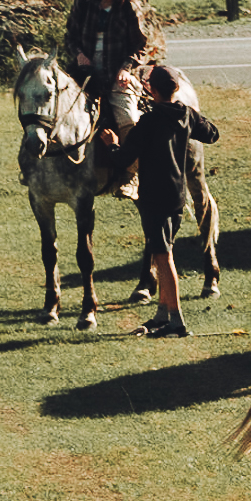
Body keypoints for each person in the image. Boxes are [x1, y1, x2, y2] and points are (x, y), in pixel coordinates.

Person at [97, 64, 219, 339]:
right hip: (177, 196)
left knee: (164, 258)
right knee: (164, 251)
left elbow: (123, 159)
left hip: (153, 197)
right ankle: (163, 312)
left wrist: (112, 143)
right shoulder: (186, 115)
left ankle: (176, 320)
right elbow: (212, 133)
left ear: (150, 90)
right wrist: (196, 117)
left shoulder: (148, 122)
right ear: (177, 88)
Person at [62, 0, 156, 138]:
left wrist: (126, 68)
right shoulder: (83, 1)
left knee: (128, 120)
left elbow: (140, 45)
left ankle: (130, 165)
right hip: (83, 71)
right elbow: (70, 36)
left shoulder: (130, 6)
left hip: (116, 74)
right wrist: (79, 55)